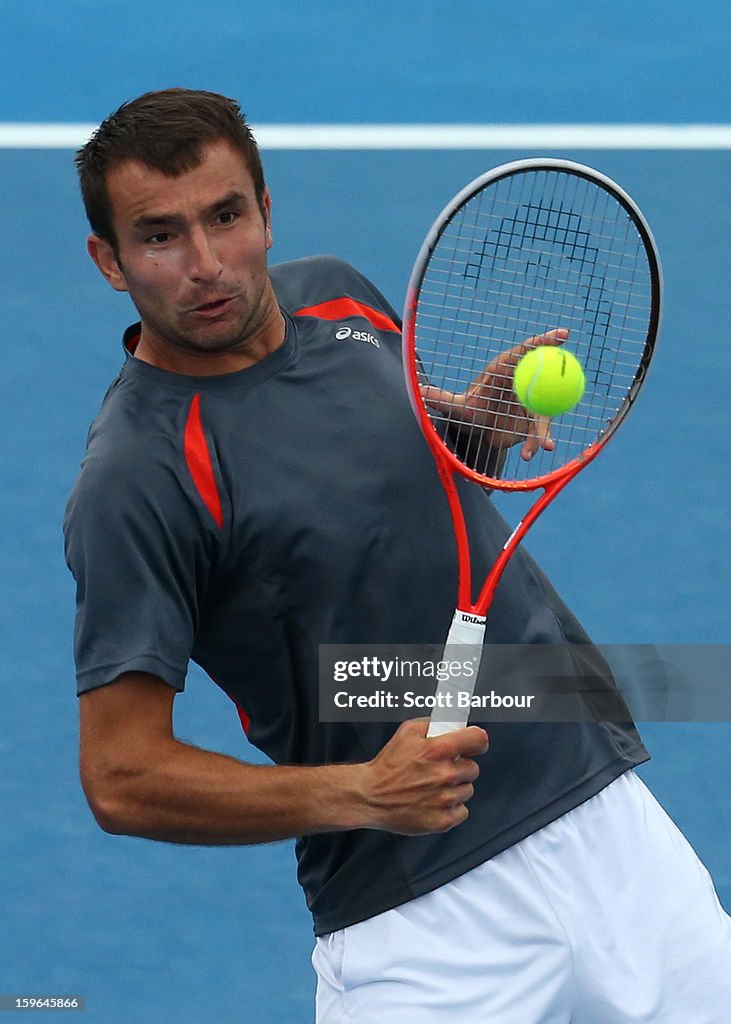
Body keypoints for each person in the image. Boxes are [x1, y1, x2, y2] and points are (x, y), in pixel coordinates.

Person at [64, 88, 731, 1023]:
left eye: (226, 216)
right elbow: (121, 777)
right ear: (110, 260)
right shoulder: (137, 477)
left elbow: (379, 472)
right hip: (424, 918)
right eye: (160, 236)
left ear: (264, 206)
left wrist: (474, 424)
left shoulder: (336, 293)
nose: (207, 265)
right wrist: (365, 791)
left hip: (605, 827)